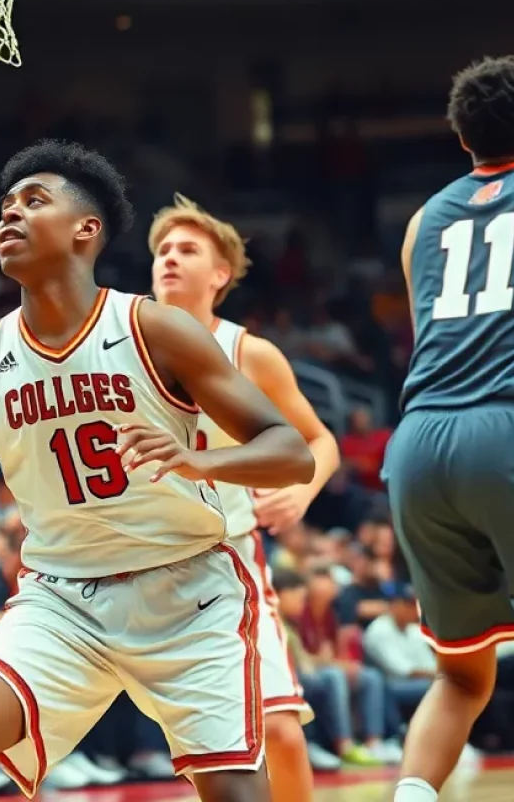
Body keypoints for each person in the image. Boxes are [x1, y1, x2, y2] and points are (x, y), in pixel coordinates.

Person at [0, 140, 314, 802]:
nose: (9, 216)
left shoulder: (155, 331)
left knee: (238, 795)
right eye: (5, 207)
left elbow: (292, 451)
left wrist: (199, 459)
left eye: (33, 201)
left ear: (87, 229)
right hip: (63, 597)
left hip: (190, 591)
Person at [385, 56, 514, 802]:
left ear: (462, 140)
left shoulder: (423, 223)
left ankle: (414, 796)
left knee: (459, 672)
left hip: (419, 445)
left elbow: (434, 340)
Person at [149, 193, 342, 802]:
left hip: (223, 561)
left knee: (279, 732)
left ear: (220, 274)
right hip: (128, 563)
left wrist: (302, 493)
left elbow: (319, 440)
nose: (169, 260)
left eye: (187, 250)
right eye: (161, 251)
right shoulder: (117, 345)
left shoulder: (249, 354)